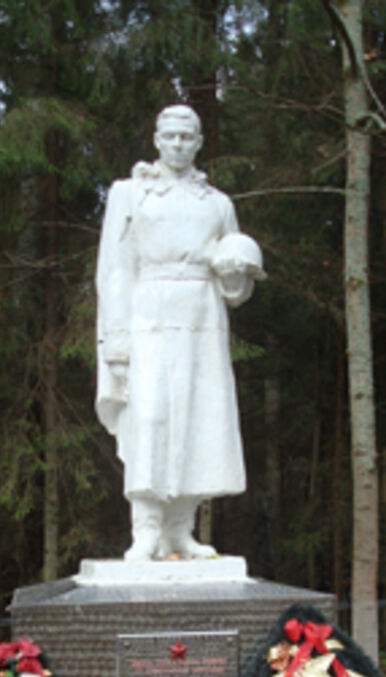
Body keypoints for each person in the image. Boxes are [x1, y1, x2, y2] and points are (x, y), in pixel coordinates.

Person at [95, 104, 264, 561]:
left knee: (197, 421)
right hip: (148, 311)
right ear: (156, 139)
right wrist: (116, 339)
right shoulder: (131, 194)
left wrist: (236, 274)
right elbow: (114, 269)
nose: (178, 145)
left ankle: (180, 531)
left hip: (203, 319)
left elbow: (233, 283)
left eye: (186, 137)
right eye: (169, 136)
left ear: (199, 141)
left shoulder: (217, 203)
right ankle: (146, 529)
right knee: (149, 420)